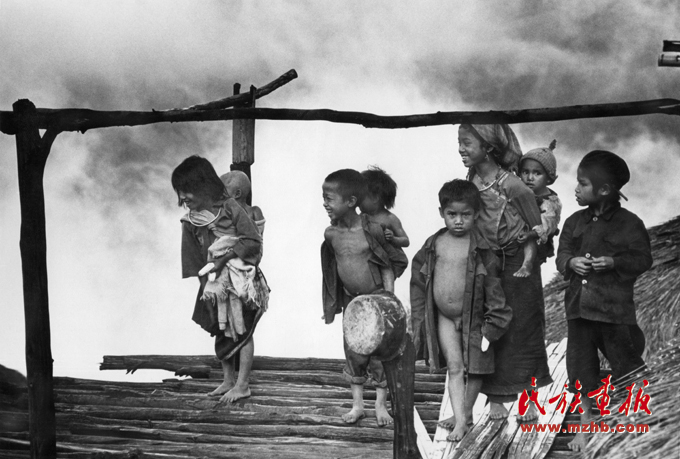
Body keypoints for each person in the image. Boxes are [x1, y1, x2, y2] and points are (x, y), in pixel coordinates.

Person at [556, 150, 652, 452]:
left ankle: (632, 420)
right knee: (581, 369)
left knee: (627, 366)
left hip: (613, 312)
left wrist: (614, 262)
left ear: (605, 190)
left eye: (583, 184)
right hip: (579, 309)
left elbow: (643, 259)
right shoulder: (574, 221)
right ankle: (586, 424)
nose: (576, 189)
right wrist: (570, 262)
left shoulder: (630, 224)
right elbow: (562, 255)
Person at [458, 124, 552, 422]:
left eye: (466, 143)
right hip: (487, 261)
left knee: (524, 328)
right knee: (492, 326)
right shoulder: (472, 179)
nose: (460, 149)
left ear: (488, 147)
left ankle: (530, 400)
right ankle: (496, 398)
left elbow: (537, 228)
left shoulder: (513, 186)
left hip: (517, 261)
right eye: (459, 142)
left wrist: (528, 261)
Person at [410, 179, 512, 441]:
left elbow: (494, 288)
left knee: (475, 368)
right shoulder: (433, 244)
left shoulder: (482, 249)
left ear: (476, 214)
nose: (458, 221)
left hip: (474, 318)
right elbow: (418, 279)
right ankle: (460, 420)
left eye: (465, 215)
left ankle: (464, 415)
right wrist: (419, 317)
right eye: (451, 214)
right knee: (454, 367)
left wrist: (494, 323)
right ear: (441, 213)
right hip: (444, 317)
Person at [172, 156, 267, 404]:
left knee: (242, 330)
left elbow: (252, 240)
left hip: (241, 279)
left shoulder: (230, 208)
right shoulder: (190, 222)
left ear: (203, 185)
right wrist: (206, 289)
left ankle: (243, 384)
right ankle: (227, 380)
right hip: (213, 284)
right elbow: (194, 260)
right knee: (221, 328)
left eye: (187, 191)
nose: (183, 198)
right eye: (180, 193)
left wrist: (224, 260)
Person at [321, 169, 408, 426]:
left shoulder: (373, 230)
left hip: (377, 300)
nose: (325, 204)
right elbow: (331, 270)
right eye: (323, 198)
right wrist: (333, 302)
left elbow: (390, 262)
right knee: (354, 350)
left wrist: (388, 300)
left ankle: (381, 405)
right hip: (352, 302)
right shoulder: (330, 234)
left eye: (329, 199)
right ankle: (357, 405)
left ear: (351, 201)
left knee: (381, 353)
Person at [515, 140, 562, 276]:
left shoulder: (550, 202)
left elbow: (548, 225)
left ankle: (527, 264)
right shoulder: (521, 192)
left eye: (537, 173)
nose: (530, 178)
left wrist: (530, 234)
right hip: (519, 236)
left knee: (531, 239)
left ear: (548, 178)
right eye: (525, 172)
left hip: (537, 239)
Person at [360, 166, 410, 249]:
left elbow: (406, 241)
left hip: (388, 256)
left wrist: (393, 239)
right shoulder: (361, 217)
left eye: (361, 196)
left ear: (375, 198)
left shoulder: (390, 218)